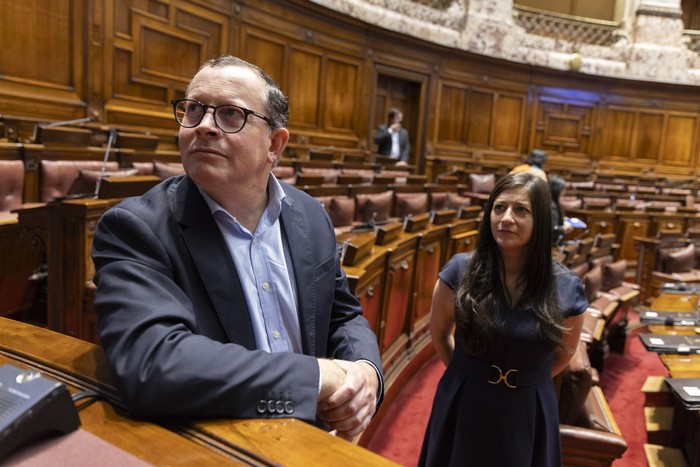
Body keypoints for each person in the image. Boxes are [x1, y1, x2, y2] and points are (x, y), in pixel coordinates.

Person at [91, 55, 382, 441]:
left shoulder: (310, 216)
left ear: (274, 144)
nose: (205, 126)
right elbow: (153, 362)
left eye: (230, 115)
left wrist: (365, 370)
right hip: (220, 443)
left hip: (311, 440)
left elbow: (342, 315)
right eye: (193, 109)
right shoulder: (136, 228)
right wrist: (318, 376)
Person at [420, 172, 587, 466]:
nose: (506, 218)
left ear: (541, 221)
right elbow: (439, 332)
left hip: (527, 406)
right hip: (465, 399)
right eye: (499, 208)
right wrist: (467, 372)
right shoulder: (460, 270)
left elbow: (563, 354)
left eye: (521, 210)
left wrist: (526, 380)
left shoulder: (566, 285)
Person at [549, 175, 573, 246]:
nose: (564, 191)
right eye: (563, 188)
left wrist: (562, 220)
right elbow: (552, 229)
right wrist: (563, 229)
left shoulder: (551, 202)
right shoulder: (551, 206)